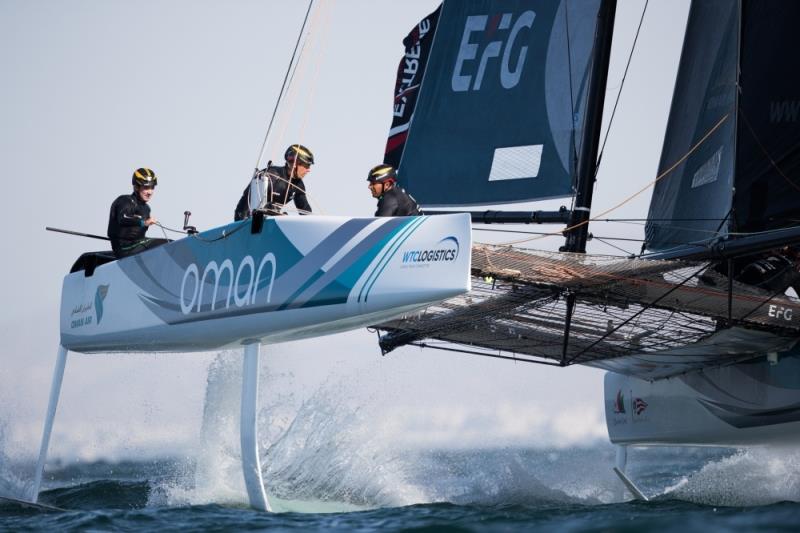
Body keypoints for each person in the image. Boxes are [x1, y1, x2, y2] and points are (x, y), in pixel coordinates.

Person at [234, 144, 315, 220]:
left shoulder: (299, 185)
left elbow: (306, 213)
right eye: (306, 166)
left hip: (268, 223)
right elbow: (247, 205)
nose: (308, 170)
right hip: (246, 222)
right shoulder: (270, 176)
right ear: (295, 163)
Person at [107, 168, 166, 258]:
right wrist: (143, 222)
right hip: (124, 249)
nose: (150, 192)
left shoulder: (146, 208)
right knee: (166, 243)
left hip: (137, 246)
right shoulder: (125, 201)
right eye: (146, 188)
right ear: (136, 187)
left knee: (170, 243)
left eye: (152, 187)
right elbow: (122, 218)